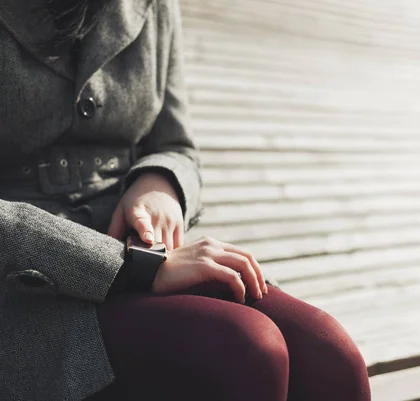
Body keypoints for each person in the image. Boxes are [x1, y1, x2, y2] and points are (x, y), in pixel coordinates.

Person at [0, 0, 371, 400]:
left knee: (330, 356)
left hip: (137, 240)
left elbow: (176, 144)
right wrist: (131, 268)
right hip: (21, 270)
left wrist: (160, 182)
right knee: (247, 348)